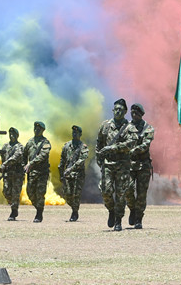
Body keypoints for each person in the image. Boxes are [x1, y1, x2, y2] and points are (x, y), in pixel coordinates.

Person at [96, 98, 131, 231]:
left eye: (121, 110)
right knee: (106, 191)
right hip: (108, 164)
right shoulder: (105, 125)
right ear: (112, 110)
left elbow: (130, 144)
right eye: (116, 109)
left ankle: (118, 220)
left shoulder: (129, 127)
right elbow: (99, 142)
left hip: (122, 165)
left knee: (121, 193)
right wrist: (99, 158)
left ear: (125, 111)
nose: (118, 111)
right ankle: (111, 210)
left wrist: (113, 148)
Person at [125, 103, 154, 229]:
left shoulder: (148, 128)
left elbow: (146, 145)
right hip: (129, 165)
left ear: (141, 114)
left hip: (143, 166)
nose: (134, 115)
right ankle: (132, 209)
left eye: (136, 113)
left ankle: (139, 218)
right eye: (132, 112)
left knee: (141, 194)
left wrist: (132, 150)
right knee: (128, 189)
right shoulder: (125, 127)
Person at [59, 125, 88, 222]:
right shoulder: (67, 146)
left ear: (80, 134)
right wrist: (61, 174)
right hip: (67, 175)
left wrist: (71, 169)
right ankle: (74, 208)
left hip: (78, 175)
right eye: (73, 132)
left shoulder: (83, 147)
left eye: (76, 132)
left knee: (76, 194)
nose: (74, 134)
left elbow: (81, 160)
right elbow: (62, 160)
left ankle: (74, 212)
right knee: (67, 195)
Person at [24, 121, 51, 223]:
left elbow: (43, 155)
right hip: (31, 173)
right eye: (35, 128)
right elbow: (24, 155)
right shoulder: (30, 142)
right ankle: (38, 208)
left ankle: (39, 213)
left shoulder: (45, 143)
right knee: (30, 193)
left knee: (40, 193)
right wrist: (24, 166)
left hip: (41, 173)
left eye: (39, 129)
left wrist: (30, 163)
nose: (36, 130)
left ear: (43, 130)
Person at [0, 127, 24, 221]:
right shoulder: (5, 146)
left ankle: (14, 211)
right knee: (6, 192)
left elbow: (15, 157)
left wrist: (5, 164)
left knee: (15, 193)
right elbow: (2, 156)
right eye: (10, 134)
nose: (11, 136)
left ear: (17, 136)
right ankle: (13, 205)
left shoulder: (19, 146)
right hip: (7, 174)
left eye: (13, 134)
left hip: (17, 174)